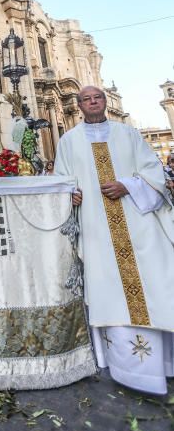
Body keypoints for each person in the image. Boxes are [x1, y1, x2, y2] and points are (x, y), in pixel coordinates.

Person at [54, 86, 174, 395]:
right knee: (110, 289)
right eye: (86, 99)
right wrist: (71, 193)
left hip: (137, 223)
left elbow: (154, 174)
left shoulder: (129, 135)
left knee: (150, 286)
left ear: (105, 102)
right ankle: (123, 367)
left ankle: (160, 366)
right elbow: (61, 180)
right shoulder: (68, 141)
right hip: (97, 230)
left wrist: (128, 186)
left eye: (97, 98)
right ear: (79, 106)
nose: (92, 102)